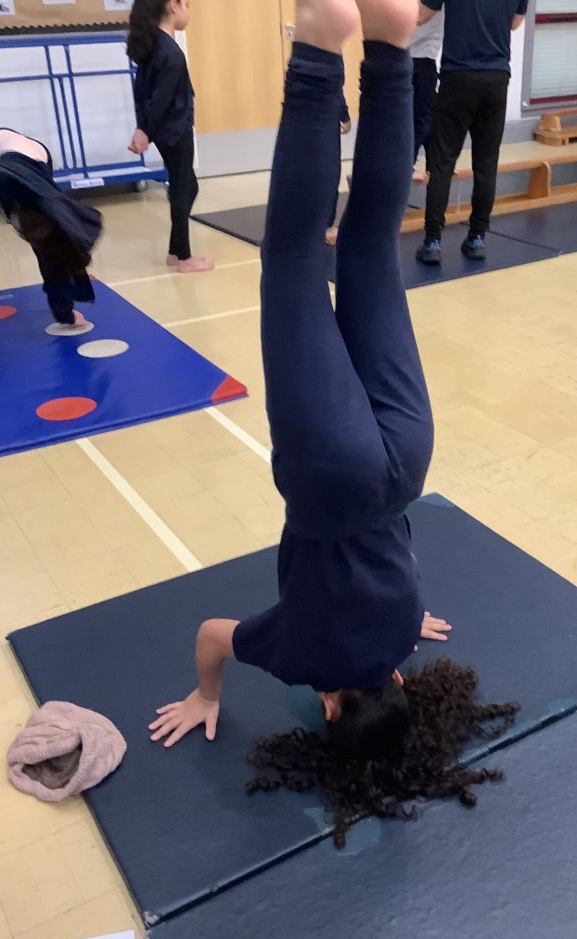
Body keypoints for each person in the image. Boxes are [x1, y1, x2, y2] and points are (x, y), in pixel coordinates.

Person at [149, 0, 454, 760]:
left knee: (370, 245)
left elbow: (393, 595)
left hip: (408, 464)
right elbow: (212, 637)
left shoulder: (402, 633)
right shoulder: (301, 657)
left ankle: (391, 43)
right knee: (291, 259)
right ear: (329, 710)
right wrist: (205, 695)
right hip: (332, 477)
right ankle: (319, 43)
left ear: (399, 683)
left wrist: (402, 629)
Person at [415, 0, 528, 264]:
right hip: (496, 78)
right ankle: (477, 237)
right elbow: (515, 23)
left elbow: (421, 16)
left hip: (458, 76)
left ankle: (432, 241)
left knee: (442, 163)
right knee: (486, 164)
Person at [127, 0, 213, 273]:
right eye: (186, 4)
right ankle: (184, 257)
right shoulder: (171, 53)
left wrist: (144, 127)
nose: (188, 10)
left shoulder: (156, 46)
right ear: (173, 7)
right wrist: (145, 131)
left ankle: (176, 251)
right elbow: (160, 98)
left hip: (167, 129)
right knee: (182, 186)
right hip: (175, 129)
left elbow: (142, 92)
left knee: (188, 186)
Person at [0, 128, 102, 331]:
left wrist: (66, 314)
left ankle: (64, 306)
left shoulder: (40, 211)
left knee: (52, 251)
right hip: (14, 157)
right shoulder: (6, 185)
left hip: (33, 161)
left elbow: (53, 263)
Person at [409, 12, 444, 183]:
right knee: (421, 118)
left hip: (419, 59)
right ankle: (408, 165)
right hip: (421, 60)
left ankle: (435, 163)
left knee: (432, 115)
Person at [325, 91, 352, 246]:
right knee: (329, 170)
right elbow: (333, 85)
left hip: (299, 115)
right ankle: (327, 225)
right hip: (326, 115)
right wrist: (344, 114)